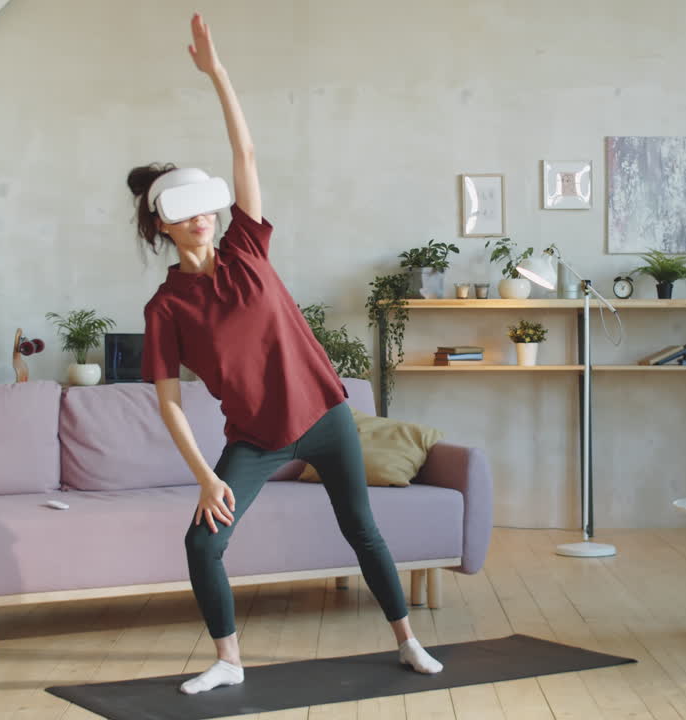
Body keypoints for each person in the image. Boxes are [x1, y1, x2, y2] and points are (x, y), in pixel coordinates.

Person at [126, 13, 443, 695]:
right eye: (185, 209)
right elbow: (168, 403)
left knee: (363, 531)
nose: (203, 215)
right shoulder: (166, 308)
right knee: (202, 542)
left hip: (325, 415)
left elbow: (246, 158)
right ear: (162, 223)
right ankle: (228, 661)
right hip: (258, 438)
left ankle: (409, 641)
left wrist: (219, 75)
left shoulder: (247, 247)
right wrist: (205, 478)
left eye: (206, 203)